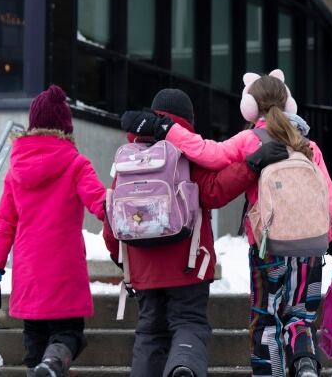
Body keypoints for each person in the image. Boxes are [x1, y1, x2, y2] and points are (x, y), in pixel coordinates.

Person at [120, 71, 332, 377]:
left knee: (267, 318)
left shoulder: (250, 140)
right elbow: (328, 200)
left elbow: (208, 152)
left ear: (250, 108)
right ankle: (305, 363)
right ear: (289, 103)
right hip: (312, 247)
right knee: (299, 317)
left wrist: (165, 127)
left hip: (268, 248)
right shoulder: (308, 146)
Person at [103, 89, 288, 377]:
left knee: (150, 331)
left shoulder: (128, 159)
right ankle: (184, 366)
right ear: (187, 121)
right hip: (187, 263)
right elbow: (214, 191)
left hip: (143, 266)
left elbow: (112, 214)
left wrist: (120, 259)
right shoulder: (185, 153)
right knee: (189, 322)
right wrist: (252, 164)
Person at [0, 85, 106, 377]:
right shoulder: (76, 164)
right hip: (63, 271)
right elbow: (101, 205)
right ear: (66, 127)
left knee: (34, 347)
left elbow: (3, 225)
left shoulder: (16, 171)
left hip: (29, 275)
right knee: (69, 335)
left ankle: (44, 365)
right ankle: (52, 363)